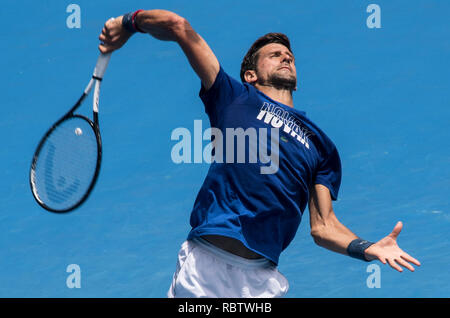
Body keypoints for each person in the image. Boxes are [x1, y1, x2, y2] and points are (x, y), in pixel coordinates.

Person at [98, 9, 421, 298]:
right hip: (206, 267)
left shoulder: (320, 145)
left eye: (289, 56)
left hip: (262, 283)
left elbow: (324, 227)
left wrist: (367, 248)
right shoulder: (234, 97)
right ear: (250, 75)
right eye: (275, 54)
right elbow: (178, 25)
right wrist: (128, 23)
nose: (286, 58)